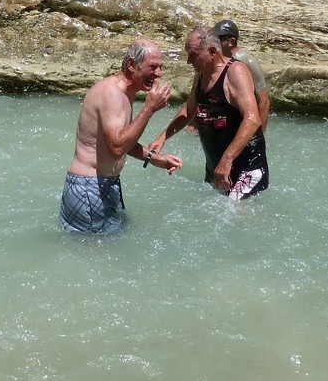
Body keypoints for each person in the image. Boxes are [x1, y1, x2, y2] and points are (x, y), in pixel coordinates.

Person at [60, 39, 182, 234]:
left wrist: (154, 158)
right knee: (92, 259)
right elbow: (117, 148)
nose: (158, 73)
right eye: (152, 67)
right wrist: (149, 109)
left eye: (160, 67)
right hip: (89, 189)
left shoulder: (126, 92)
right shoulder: (112, 94)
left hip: (104, 184)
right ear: (132, 65)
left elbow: (120, 140)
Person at [148, 25, 270, 200]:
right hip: (216, 165)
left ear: (213, 51)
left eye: (193, 54)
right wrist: (163, 137)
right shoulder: (201, 75)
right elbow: (189, 110)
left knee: (237, 217)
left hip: (246, 166)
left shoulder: (236, 72)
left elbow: (252, 120)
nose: (188, 61)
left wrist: (227, 160)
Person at [213, 19, 270, 132]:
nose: (213, 42)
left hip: (244, 120)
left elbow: (264, 101)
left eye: (218, 39)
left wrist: (260, 135)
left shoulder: (248, 61)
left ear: (231, 41)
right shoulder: (216, 60)